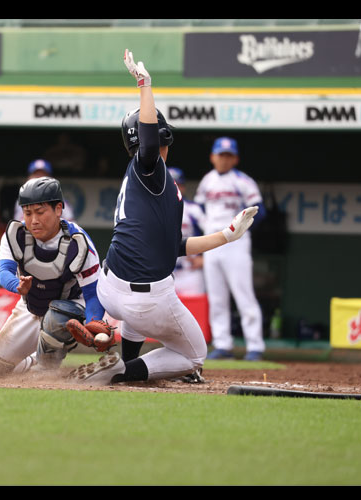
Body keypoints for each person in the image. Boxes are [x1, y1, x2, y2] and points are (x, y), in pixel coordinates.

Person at [68, 50, 259, 386]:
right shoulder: (150, 170)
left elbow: (175, 246)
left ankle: (124, 360)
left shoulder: (145, 180)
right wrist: (145, 86)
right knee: (193, 356)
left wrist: (226, 236)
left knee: (137, 318)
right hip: (144, 298)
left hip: (112, 287)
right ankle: (123, 371)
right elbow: (149, 138)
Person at [0, 176, 106, 376]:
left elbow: (92, 293)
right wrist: (16, 285)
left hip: (70, 305)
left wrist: (93, 320)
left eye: (40, 212)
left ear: (58, 209)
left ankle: (46, 369)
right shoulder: (15, 235)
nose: (33, 220)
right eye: (27, 213)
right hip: (32, 305)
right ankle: (32, 364)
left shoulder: (78, 242)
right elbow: (4, 272)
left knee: (56, 316)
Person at [193, 136, 267, 361]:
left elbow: (260, 212)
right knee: (217, 297)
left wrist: (243, 230)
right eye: (220, 155)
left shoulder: (243, 181)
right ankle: (223, 344)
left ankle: (255, 345)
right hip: (212, 243)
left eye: (228, 155)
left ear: (235, 159)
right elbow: (198, 212)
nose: (223, 159)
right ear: (212, 157)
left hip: (236, 244)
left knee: (243, 293)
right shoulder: (207, 181)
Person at [169, 167, 207, 296]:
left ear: (183, 187)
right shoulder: (153, 210)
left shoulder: (193, 209)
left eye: (177, 184)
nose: (174, 188)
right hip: (164, 275)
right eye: (170, 184)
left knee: (195, 313)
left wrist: (206, 258)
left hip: (190, 273)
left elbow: (213, 233)